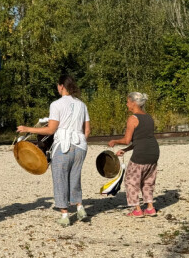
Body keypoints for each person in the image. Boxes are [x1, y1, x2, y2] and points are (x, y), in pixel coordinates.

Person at [17, 74, 90, 226]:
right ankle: (80, 207)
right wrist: (80, 141)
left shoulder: (56, 104)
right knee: (75, 177)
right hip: (80, 145)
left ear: (61, 86)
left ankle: (65, 215)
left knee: (59, 178)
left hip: (63, 145)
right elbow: (87, 130)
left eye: (58, 85)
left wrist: (27, 129)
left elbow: (50, 130)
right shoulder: (82, 105)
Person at [108, 92, 160, 218]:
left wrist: (115, 141)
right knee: (148, 181)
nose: (126, 104)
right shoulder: (148, 117)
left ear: (133, 103)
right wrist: (125, 150)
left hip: (141, 155)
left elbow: (127, 139)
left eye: (127, 102)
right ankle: (150, 208)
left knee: (131, 181)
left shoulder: (133, 118)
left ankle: (137, 209)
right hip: (153, 152)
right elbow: (141, 139)